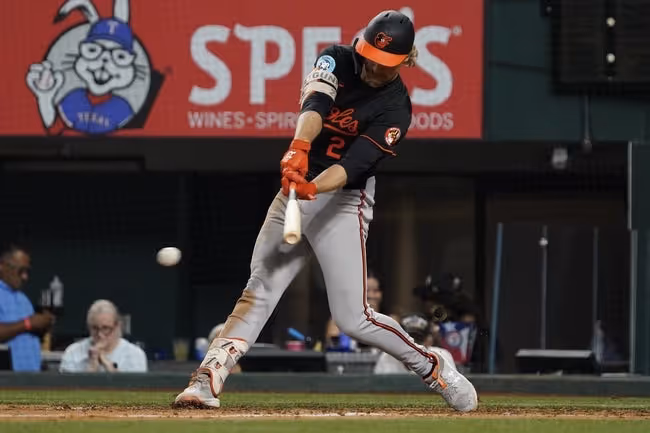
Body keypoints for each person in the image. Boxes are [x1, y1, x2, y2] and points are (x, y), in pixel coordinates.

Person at [173, 10, 477, 412]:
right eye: (370, 57)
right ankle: (208, 377)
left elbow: (352, 166)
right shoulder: (336, 58)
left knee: (353, 318)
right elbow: (315, 105)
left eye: (385, 63)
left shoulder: (396, 109)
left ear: (405, 61)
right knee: (261, 287)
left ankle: (431, 365)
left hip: (345, 199)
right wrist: (299, 149)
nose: (373, 67)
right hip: (298, 185)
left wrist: (313, 186)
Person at [0, 243, 55, 371]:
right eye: (21, 271)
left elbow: (27, 333)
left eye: (27, 271)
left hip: (31, 375)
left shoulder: (24, 299)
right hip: (6, 377)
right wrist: (28, 323)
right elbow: (27, 324)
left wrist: (43, 326)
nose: (25, 277)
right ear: (2, 266)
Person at [59, 300, 147, 373]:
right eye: (95, 328)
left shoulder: (134, 354)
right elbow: (66, 387)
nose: (100, 334)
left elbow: (132, 387)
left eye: (105, 328)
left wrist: (107, 364)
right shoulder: (73, 352)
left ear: (117, 326)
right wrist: (92, 367)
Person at [374, 313, 454, 374]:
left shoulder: (443, 357)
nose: (413, 346)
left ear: (429, 341)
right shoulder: (386, 358)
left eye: (418, 340)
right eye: (407, 340)